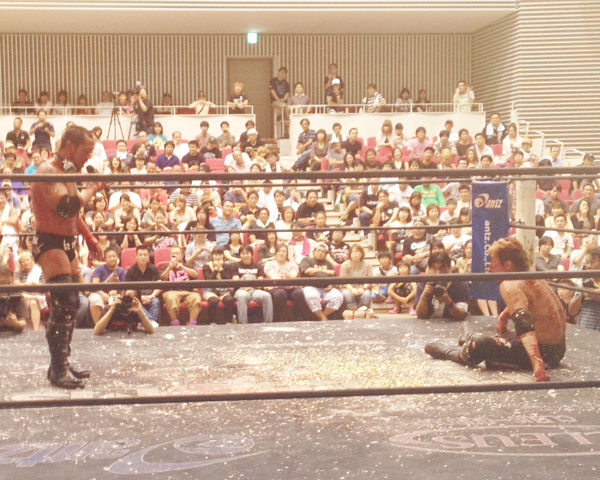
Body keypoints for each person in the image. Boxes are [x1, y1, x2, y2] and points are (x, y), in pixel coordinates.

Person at [425, 237, 566, 382]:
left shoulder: (510, 284)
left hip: (544, 354)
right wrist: (504, 316)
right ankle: (468, 337)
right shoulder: (529, 273)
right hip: (558, 349)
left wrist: (537, 364)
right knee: (505, 336)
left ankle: (454, 351)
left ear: (508, 265)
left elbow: (524, 325)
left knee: (479, 344)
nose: (490, 266)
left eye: (494, 261)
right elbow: (529, 303)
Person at [31, 126, 106, 388]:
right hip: (50, 241)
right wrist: (93, 188)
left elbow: (74, 214)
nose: (88, 157)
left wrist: (89, 237)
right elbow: (66, 207)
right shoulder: (48, 172)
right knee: (65, 301)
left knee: (71, 304)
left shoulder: (68, 172)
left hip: (67, 241)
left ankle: (60, 362)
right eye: (86, 151)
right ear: (70, 146)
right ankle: (58, 369)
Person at [414, 251, 469, 320]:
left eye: (442, 268)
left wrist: (449, 302)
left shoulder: (460, 284)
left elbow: (462, 315)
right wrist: (424, 296)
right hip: (427, 324)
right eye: (434, 269)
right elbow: (420, 316)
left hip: (452, 324)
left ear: (449, 268)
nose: (438, 273)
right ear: (428, 269)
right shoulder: (423, 283)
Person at [299, 242, 343, 321]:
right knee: (311, 296)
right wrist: (325, 271)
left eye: (323, 252)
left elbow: (333, 276)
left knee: (338, 296)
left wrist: (331, 285)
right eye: (318, 250)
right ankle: (323, 318)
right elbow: (308, 271)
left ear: (326, 254)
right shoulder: (307, 260)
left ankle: (322, 317)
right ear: (314, 251)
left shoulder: (328, 263)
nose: (320, 253)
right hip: (311, 286)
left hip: (326, 288)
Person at [160, 246, 202, 326]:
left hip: (188, 292)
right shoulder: (165, 266)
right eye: (173, 254)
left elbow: (196, 274)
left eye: (177, 253)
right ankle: (175, 323)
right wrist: (169, 268)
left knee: (196, 298)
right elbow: (162, 278)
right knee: (171, 298)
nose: (175, 255)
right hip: (171, 291)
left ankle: (192, 324)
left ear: (182, 255)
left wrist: (183, 267)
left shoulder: (188, 265)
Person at [234, 245, 274, 323]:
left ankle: (268, 323)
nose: (245, 255)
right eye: (243, 253)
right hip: (241, 289)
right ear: (240, 255)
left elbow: (260, 280)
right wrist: (245, 286)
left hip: (255, 290)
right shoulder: (235, 266)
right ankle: (243, 324)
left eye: (247, 253)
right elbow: (235, 280)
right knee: (243, 296)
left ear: (252, 254)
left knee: (266, 295)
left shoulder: (258, 266)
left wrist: (251, 286)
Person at [568, 246, 600, 331]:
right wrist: (582, 294)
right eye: (586, 262)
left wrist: (596, 294)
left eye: (592, 262)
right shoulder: (583, 283)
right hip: (584, 328)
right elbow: (572, 311)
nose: (588, 266)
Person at [202, 247, 237, 323]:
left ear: (223, 256)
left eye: (220, 255)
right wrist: (215, 270)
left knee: (229, 300)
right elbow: (208, 280)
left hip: (224, 289)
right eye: (216, 255)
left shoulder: (227, 266)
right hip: (210, 290)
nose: (218, 257)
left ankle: (229, 321)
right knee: (213, 301)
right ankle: (211, 322)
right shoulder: (206, 266)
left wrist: (221, 270)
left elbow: (228, 279)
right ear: (212, 256)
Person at [340, 244, 373, 319]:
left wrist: (363, 288)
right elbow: (343, 281)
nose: (355, 254)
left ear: (362, 254)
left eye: (357, 252)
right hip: (349, 288)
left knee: (366, 294)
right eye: (353, 252)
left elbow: (369, 280)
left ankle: (362, 314)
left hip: (363, 288)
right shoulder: (345, 264)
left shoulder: (368, 265)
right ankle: (352, 313)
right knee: (347, 294)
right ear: (350, 254)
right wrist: (352, 289)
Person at [0, 264, 26, 331]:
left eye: (9, 283)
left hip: (13, 333)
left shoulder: (16, 295)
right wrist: (3, 323)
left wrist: (16, 323)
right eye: (2, 283)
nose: (6, 286)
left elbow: (23, 322)